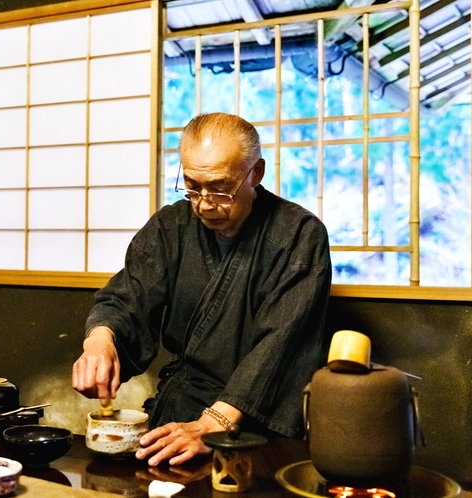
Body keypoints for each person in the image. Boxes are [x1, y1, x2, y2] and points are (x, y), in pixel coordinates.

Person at [72, 112, 332, 466]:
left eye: (220, 187)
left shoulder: (298, 235)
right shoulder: (172, 226)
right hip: (178, 417)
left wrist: (215, 424)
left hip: (252, 429)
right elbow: (127, 297)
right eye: (193, 186)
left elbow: (281, 346)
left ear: (255, 173)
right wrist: (99, 343)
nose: (205, 203)